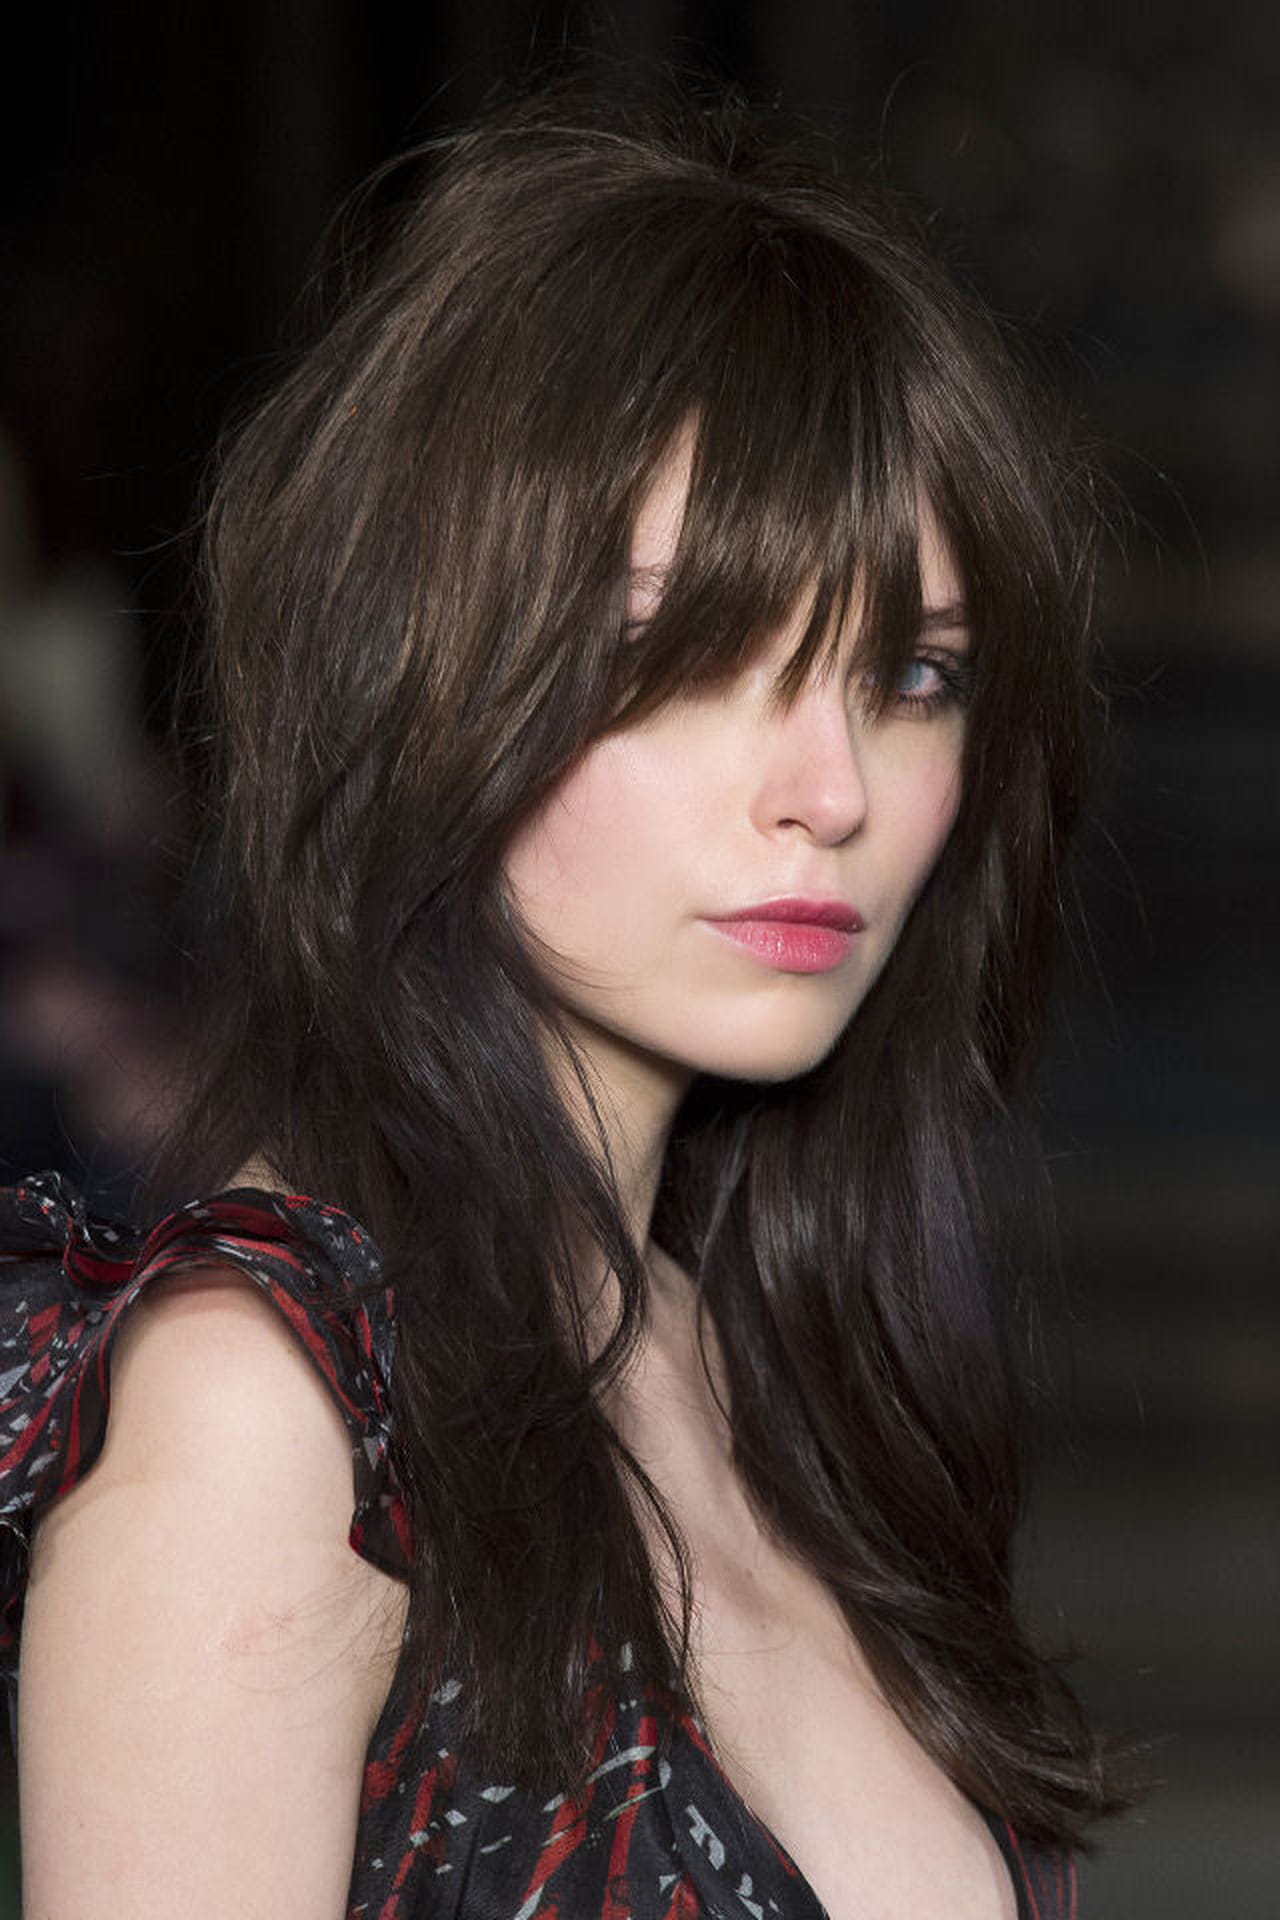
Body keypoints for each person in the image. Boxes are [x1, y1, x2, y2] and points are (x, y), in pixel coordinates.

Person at [0, 81, 1127, 1919]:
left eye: (911, 675)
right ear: (424, 678)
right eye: (684, 660)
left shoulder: (757, 1351)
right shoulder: (274, 1419)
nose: (831, 791)